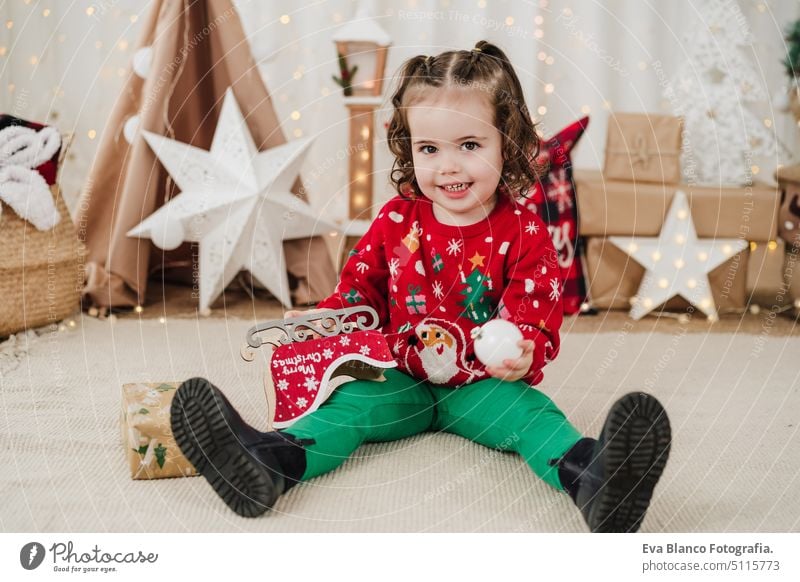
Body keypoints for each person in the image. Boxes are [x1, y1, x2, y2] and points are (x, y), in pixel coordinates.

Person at [170, 40, 671, 532]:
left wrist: (522, 351)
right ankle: (270, 462)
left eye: (470, 146)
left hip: (482, 384)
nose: (448, 165)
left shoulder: (525, 231)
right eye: (429, 148)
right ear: (408, 147)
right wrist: (326, 321)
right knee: (347, 408)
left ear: (508, 141)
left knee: (533, 417)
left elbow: (536, 312)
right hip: (398, 373)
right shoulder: (395, 219)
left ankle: (596, 480)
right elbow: (359, 291)